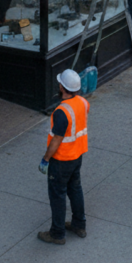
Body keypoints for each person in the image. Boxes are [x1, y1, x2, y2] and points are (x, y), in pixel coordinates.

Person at [37, 69, 88, 245]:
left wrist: (45, 159)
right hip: (77, 155)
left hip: (61, 160)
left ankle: (57, 233)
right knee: (75, 189)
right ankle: (79, 225)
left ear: (61, 87)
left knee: (57, 195)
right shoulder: (83, 102)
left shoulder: (61, 111)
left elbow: (56, 140)